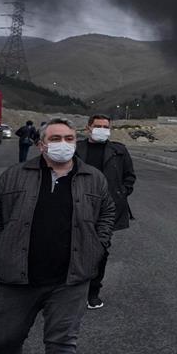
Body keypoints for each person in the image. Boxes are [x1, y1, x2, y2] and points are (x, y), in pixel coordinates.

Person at [0, 118, 116, 354]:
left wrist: (98, 244)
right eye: (55, 138)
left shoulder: (93, 179)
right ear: (41, 145)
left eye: (69, 138)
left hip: (70, 278)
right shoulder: (15, 175)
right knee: (2, 339)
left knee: (62, 341)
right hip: (18, 277)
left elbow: (107, 211)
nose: (63, 144)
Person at [75, 114, 136, 309]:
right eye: (98, 126)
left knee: (100, 249)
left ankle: (93, 291)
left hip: (107, 210)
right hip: (77, 205)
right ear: (88, 128)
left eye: (105, 126)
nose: (102, 129)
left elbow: (129, 176)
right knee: (74, 247)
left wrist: (121, 193)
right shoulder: (76, 148)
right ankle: (71, 289)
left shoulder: (119, 151)